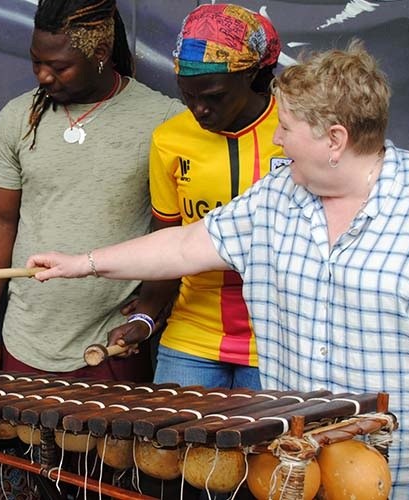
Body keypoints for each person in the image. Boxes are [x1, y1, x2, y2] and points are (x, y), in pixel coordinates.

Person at [26, 41, 409, 499]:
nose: (277, 141)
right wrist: (82, 263)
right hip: (300, 467)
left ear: (335, 139)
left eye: (286, 127)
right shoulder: (275, 195)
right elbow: (182, 246)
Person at [0, 0, 184, 380]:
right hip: (25, 338)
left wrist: (151, 305)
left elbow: (178, 233)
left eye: (59, 66)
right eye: (37, 62)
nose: (44, 77)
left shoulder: (163, 120)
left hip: (112, 343)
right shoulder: (17, 118)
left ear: (100, 54)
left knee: (109, 443)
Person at [110, 4, 286, 390]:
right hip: (192, 337)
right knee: (173, 449)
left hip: (279, 340)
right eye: (187, 96)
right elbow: (169, 241)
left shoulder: (294, 131)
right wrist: (146, 317)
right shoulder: (170, 139)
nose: (200, 109)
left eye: (215, 96)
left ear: (252, 74)